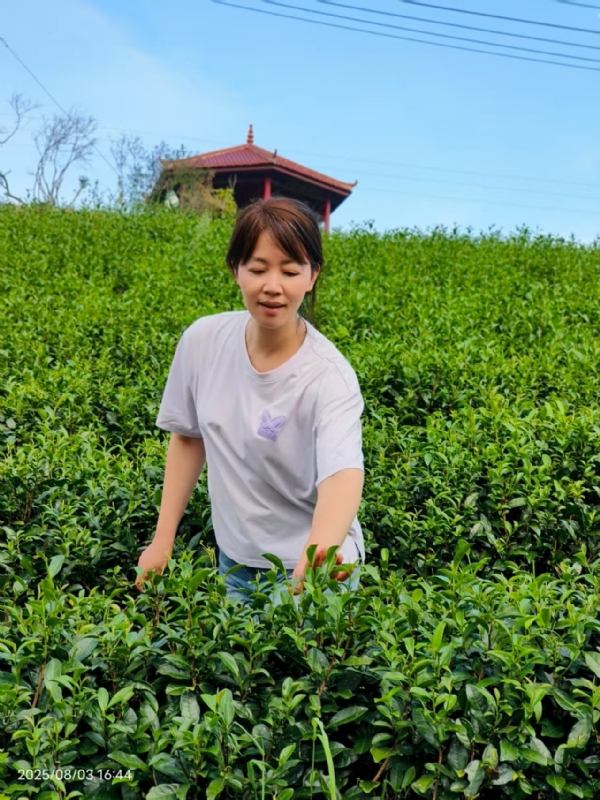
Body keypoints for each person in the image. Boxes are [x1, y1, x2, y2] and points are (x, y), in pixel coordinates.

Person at [135, 196, 366, 605]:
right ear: (236, 270)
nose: (272, 286)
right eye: (258, 269)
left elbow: (342, 475)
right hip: (237, 563)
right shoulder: (203, 342)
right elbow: (189, 438)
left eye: (290, 271)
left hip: (316, 564)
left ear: (312, 276)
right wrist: (162, 539)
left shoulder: (329, 375)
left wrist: (321, 552)